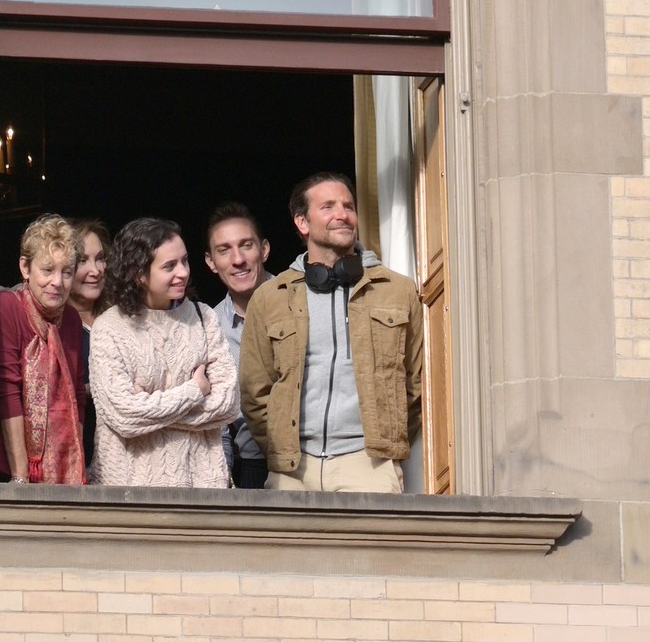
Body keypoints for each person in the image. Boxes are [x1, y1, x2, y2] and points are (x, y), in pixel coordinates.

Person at [239, 172, 423, 493]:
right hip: (292, 470)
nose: (343, 214)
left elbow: (416, 384)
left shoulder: (398, 290)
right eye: (328, 207)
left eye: (348, 206)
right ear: (302, 222)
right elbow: (256, 393)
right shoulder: (271, 296)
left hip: (370, 465)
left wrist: (385, 439)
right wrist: (281, 445)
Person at [89, 217, 239, 487]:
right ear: (138, 273)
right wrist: (194, 390)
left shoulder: (203, 317)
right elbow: (125, 416)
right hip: (131, 489)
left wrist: (151, 409)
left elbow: (228, 403)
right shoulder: (108, 328)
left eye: (184, 261)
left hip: (201, 485)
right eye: (169, 266)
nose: (182, 272)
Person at [0, 213, 86, 484]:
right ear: (25, 267)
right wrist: (20, 478)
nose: (58, 282)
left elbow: (77, 394)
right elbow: (6, 388)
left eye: (67, 272)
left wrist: (74, 472)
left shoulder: (71, 319)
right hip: (10, 471)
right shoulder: (6, 305)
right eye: (47, 270)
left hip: (63, 475)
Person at [204, 202, 271, 488]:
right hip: (251, 468)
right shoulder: (209, 327)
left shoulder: (299, 301)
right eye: (224, 250)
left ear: (264, 250)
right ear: (210, 262)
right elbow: (217, 419)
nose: (238, 259)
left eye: (246, 246)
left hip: (313, 459)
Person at [67, 218, 111, 469]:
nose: (95, 270)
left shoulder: (122, 320)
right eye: (82, 260)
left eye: (100, 258)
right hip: (72, 462)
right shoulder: (54, 327)